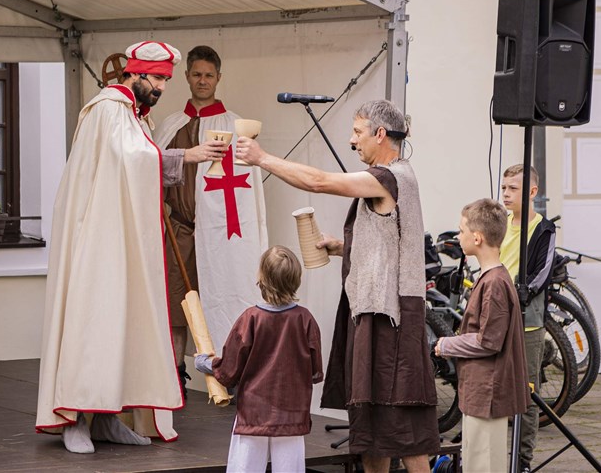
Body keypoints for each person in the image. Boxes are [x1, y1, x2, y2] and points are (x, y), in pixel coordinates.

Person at [35, 40, 227, 454]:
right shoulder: (108, 109)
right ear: (134, 73)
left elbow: (139, 162)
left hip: (121, 237)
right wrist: (188, 155)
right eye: (155, 79)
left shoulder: (132, 115)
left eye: (164, 81)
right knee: (95, 321)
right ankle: (78, 418)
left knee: (122, 322)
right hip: (97, 239)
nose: (160, 88)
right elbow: (135, 160)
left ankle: (107, 417)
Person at [236, 100, 439, 473]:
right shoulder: (395, 176)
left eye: (358, 132)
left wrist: (262, 158)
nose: (351, 140)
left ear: (380, 134)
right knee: (372, 428)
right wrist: (343, 247)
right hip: (378, 313)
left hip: (390, 320)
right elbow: (394, 242)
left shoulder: (389, 177)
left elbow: (319, 181)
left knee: (403, 426)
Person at [155, 45, 267, 395]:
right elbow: (152, 171)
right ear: (187, 76)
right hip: (179, 230)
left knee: (227, 296)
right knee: (176, 305)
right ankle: (175, 375)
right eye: (196, 74)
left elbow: (244, 186)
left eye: (209, 75)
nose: (202, 81)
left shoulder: (233, 126)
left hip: (222, 233)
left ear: (218, 78)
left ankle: (235, 374)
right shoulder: (172, 124)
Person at [194, 245, 323, 473]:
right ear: (296, 279)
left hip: (253, 414)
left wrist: (204, 362)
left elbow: (228, 371)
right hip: (292, 414)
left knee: (245, 468)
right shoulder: (306, 320)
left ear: (261, 278)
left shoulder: (250, 319)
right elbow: (314, 372)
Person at [435, 198, 530, 473]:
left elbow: (488, 341)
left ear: (477, 238)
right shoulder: (492, 278)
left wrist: (446, 344)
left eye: (462, 230)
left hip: (488, 392)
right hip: (481, 391)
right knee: (478, 460)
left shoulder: (495, 283)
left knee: (483, 463)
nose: (459, 235)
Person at [500, 164, 556, 473]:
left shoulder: (543, 229)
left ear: (532, 192)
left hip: (527, 321)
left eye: (513, 189)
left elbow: (542, 274)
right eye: (504, 188)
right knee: (492, 386)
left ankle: (521, 461)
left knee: (527, 393)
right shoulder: (500, 222)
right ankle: (489, 453)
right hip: (496, 316)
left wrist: (519, 293)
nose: (506, 194)